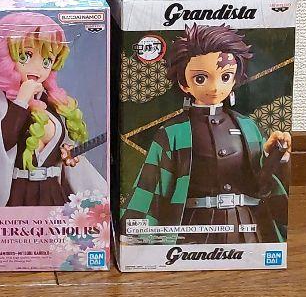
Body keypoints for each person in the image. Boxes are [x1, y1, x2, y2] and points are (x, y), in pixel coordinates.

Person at [123, 23, 290, 244]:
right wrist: (135, 237)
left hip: (247, 228)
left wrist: (274, 156)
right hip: (193, 229)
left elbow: (263, 186)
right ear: (184, 84)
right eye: (200, 78)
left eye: (225, 77)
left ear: (235, 78)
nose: (215, 88)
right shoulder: (172, 133)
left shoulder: (247, 126)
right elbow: (149, 189)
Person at [0, 12, 106, 207]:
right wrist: (21, 100)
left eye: (47, 61)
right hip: (15, 196)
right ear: (6, 57)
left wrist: (68, 155)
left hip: (53, 194)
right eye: (25, 56)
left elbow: (67, 157)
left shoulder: (53, 103)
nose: (38, 68)